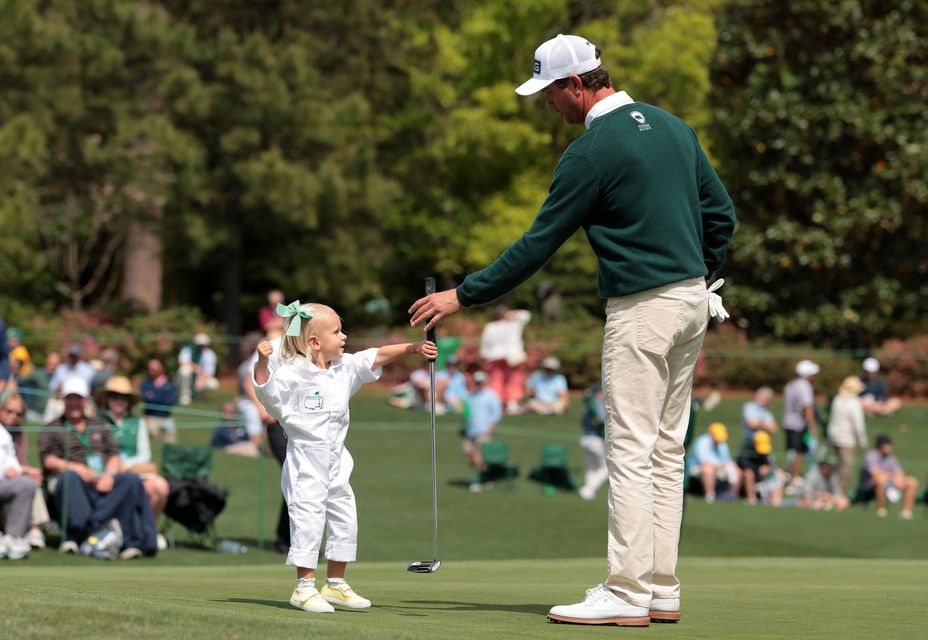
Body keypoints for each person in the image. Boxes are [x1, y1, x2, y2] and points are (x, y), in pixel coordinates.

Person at [408, 32, 735, 625]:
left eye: (550, 93)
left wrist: (463, 294)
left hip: (643, 308)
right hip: (692, 301)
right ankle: (661, 588)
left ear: (577, 85)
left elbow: (538, 244)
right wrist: (695, 274)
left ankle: (628, 592)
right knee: (665, 450)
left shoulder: (591, 151)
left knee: (632, 450)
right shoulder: (673, 126)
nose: (547, 106)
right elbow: (722, 216)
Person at [252, 300, 437, 614]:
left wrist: (414, 348)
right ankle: (304, 587)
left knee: (345, 519)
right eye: (336, 332)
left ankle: (335, 584)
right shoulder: (292, 375)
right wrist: (260, 361)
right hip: (305, 461)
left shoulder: (342, 368)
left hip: (337, 460)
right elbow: (266, 393)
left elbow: (375, 356)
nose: (344, 336)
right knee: (308, 520)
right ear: (314, 342)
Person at [38, 377, 157, 558]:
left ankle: (133, 542)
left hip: (101, 479)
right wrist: (78, 469)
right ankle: (82, 535)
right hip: (70, 480)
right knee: (71, 478)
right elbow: (48, 460)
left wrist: (109, 474)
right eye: (70, 398)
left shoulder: (98, 425)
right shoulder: (52, 427)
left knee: (131, 480)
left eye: (78, 398)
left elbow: (113, 455)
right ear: (64, 400)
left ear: (85, 401)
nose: (74, 403)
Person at [99, 376, 171, 522]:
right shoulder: (97, 422)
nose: (119, 401)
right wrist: (112, 468)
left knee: (160, 486)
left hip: (132, 471)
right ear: (107, 399)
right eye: (114, 396)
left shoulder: (138, 422)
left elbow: (145, 454)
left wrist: (126, 465)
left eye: (124, 397)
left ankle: (147, 530)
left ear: (129, 401)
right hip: (104, 471)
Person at [0, 392, 49, 549]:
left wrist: (18, 470)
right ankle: (33, 528)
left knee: (29, 483)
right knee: (28, 481)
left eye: (18, 413)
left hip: (8, 481)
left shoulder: (15, 434)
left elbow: (14, 462)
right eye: (9, 411)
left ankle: (15, 537)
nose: (13, 416)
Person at [479, 305, 531, 415]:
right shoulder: (513, 324)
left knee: (496, 380)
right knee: (513, 380)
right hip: (512, 356)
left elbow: (484, 345)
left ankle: (499, 404)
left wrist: (486, 356)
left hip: (496, 357)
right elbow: (526, 315)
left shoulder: (490, 326)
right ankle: (511, 404)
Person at [859, 434, 919, 519]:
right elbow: (875, 473)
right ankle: (881, 510)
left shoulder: (891, 458)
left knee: (912, 482)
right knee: (880, 480)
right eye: (887, 444)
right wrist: (892, 477)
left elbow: (900, 472)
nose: (889, 447)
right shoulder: (871, 455)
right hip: (868, 486)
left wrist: (899, 479)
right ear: (880, 445)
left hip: (889, 483)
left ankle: (906, 512)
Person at [826, 375, 868, 495]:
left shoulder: (837, 399)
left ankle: (831, 490)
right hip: (846, 440)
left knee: (834, 465)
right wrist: (863, 442)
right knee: (845, 468)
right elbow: (858, 425)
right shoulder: (854, 403)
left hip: (832, 437)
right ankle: (840, 494)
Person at [460, 371, 502, 488]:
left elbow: (496, 414)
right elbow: (467, 412)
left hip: (483, 431)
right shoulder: (470, 396)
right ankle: (486, 475)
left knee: (479, 456)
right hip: (470, 431)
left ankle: (479, 480)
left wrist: (489, 428)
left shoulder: (491, 396)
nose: (478, 384)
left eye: (480, 382)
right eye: (477, 382)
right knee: (469, 455)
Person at [782, 359, 820, 486]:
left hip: (788, 422)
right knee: (799, 453)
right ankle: (792, 480)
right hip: (798, 425)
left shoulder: (791, 384)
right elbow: (807, 407)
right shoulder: (804, 386)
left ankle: (790, 476)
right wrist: (812, 426)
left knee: (793, 452)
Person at [687, 422, 741, 503]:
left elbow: (727, 460)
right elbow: (704, 462)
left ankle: (731, 496)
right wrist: (721, 465)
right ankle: (710, 496)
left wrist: (729, 465)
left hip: (718, 467)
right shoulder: (702, 442)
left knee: (737, 470)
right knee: (708, 468)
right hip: (697, 467)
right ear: (711, 434)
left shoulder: (722, 443)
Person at [737, 431, 785, 506]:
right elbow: (743, 464)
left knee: (780, 474)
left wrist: (768, 469)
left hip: (763, 480)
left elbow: (772, 465)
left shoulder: (766, 451)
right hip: (749, 481)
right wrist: (758, 469)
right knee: (749, 473)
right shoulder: (746, 449)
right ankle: (752, 499)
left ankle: (775, 501)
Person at [577, 383, 607, 501]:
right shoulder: (595, 403)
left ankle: (588, 492)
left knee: (592, 467)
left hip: (585, 439)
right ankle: (588, 489)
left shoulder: (587, 404)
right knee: (606, 468)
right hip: (594, 440)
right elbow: (601, 419)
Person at [139, 357, 179, 442]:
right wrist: (164, 396)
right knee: (152, 434)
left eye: (155, 366)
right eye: (150, 366)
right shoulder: (145, 384)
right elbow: (147, 399)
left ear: (162, 368)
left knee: (171, 441)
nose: (151, 368)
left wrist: (154, 396)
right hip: (150, 417)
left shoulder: (170, 383)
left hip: (166, 417)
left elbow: (173, 400)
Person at [177, 333, 219, 406]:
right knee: (184, 370)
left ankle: (199, 396)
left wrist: (202, 380)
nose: (201, 347)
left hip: (201, 377)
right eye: (200, 345)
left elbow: (210, 372)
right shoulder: (188, 349)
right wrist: (197, 369)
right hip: (188, 376)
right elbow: (182, 362)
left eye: (203, 345)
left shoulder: (210, 354)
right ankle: (185, 396)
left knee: (213, 384)